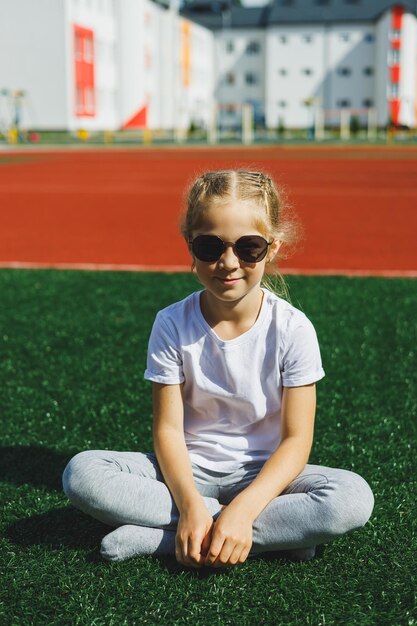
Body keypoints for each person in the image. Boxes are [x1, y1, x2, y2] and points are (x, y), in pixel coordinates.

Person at [63, 169, 374, 568]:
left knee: (351, 498)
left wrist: (244, 509)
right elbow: (168, 430)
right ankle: (268, 537)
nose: (228, 263)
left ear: (273, 247)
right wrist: (191, 504)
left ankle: (163, 540)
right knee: (82, 474)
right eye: (210, 246)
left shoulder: (293, 329)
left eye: (249, 248)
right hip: (184, 475)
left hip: (266, 480)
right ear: (190, 245)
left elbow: (297, 441)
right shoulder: (172, 323)